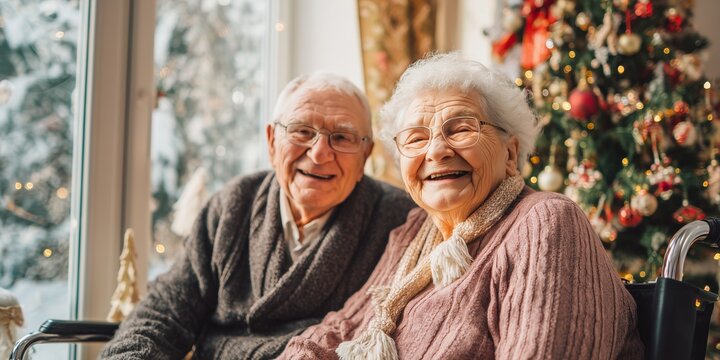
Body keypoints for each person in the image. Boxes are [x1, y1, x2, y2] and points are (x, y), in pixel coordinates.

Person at [280, 53, 644, 359]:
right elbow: (337, 331)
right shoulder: (413, 235)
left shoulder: (545, 223)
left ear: (511, 154)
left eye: (460, 129)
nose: (436, 150)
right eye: (416, 138)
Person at [101, 74, 415, 359]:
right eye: (302, 131)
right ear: (271, 142)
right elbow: (166, 310)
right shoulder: (234, 204)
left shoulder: (400, 221)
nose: (320, 153)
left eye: (343, 137)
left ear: (365, 156)